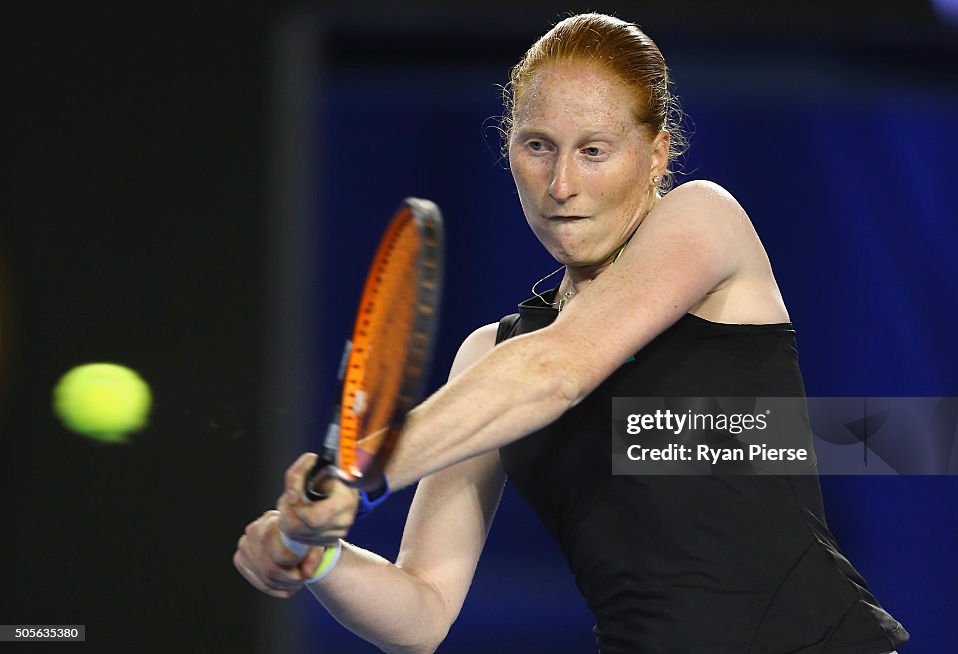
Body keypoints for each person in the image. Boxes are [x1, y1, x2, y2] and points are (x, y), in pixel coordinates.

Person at [234, 13, 910, 654]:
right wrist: (318, 549)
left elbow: (559, 369)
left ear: (655, 154)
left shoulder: (706, 221)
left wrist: (354, 474)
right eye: (538, 147)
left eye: (593, 151)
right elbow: (419, 616)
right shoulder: (491, 357)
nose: (561, 184)